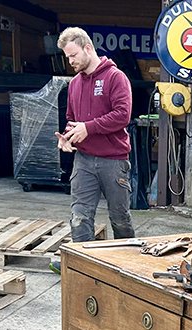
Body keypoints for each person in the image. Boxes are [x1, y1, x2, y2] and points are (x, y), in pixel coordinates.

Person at [51, 27, 134, 272]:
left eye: (73, 55)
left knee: (119, 218)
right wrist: (67, 137)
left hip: (113, 160)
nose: (71, 61)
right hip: (84, 161)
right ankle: (84, 269)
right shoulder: (75, 84)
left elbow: (123, 115)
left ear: (88, 48)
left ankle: (128, 265)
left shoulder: (115, 78)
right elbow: (71, 119)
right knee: (79, 217)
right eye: (67, 57)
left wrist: (89, 127)